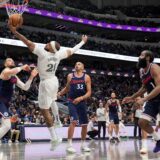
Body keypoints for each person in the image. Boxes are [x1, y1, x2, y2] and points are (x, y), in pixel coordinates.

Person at [9, 23, 88, 143]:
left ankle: (54, 137)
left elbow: (28, 42)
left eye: (49, 44)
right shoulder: (58, 54)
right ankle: (57, 120)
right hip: (53, 80)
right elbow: (73, 50)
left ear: (50, 48)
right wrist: (82, 42)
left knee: (44, 110)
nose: (47, 43)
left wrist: (15, 32)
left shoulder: (42, 52)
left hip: (46, 82)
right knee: (52, 100)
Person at [123, 50, 160, 153]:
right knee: (142, 122)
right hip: (153, 100)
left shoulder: (154, 68)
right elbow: (144, 87)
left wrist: (144, 99)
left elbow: (159, 87)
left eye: (142, 55)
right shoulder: (141, 71)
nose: (139, 57)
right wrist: (131, 97)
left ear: (148, 58)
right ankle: (158, 140)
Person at [0, 58, 38, 143]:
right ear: (5, 64)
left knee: (5, 125)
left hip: (5, 104)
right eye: (9, 60)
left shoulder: (14, 76)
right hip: (0, 102)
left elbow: (25, 87)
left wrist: (31, 76)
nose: (12, 61)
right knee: (7, 125)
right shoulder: (5, 71)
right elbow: (13, 71)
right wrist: (22, 67)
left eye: (13, 60)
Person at [58, 62, 91, 153]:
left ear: (83, 67)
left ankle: (83, 145)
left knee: (84, 124)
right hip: (72, 101)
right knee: (73, 121)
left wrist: (81, 98)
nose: (77, 65)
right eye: (75, 64)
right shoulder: (70, 76)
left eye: (79, 64)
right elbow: (67, 88)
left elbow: (89, 92)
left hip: (82, 102)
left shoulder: (86, 77)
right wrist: (60, 93)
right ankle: (69, 145)